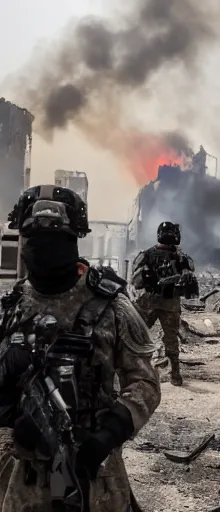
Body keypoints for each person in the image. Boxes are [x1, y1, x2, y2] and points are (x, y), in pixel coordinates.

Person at [0, 185, 160, 510]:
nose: (43, 248)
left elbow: (145, 383)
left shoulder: (112, 307)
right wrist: (10, 419)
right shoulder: (10, 308)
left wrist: (110, 433)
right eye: (34, 238)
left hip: (95, 467)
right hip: (24, 472)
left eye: (55, 240)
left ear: (74, 240)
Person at [131, 221, 198, 386]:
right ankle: (175, 374)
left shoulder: (146, 254)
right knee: (171, 339)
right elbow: (190, 272)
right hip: (170, 303)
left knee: (137, 336)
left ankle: (134, 370)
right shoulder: (181, 257)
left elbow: (135, 279)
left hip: (149, 301)